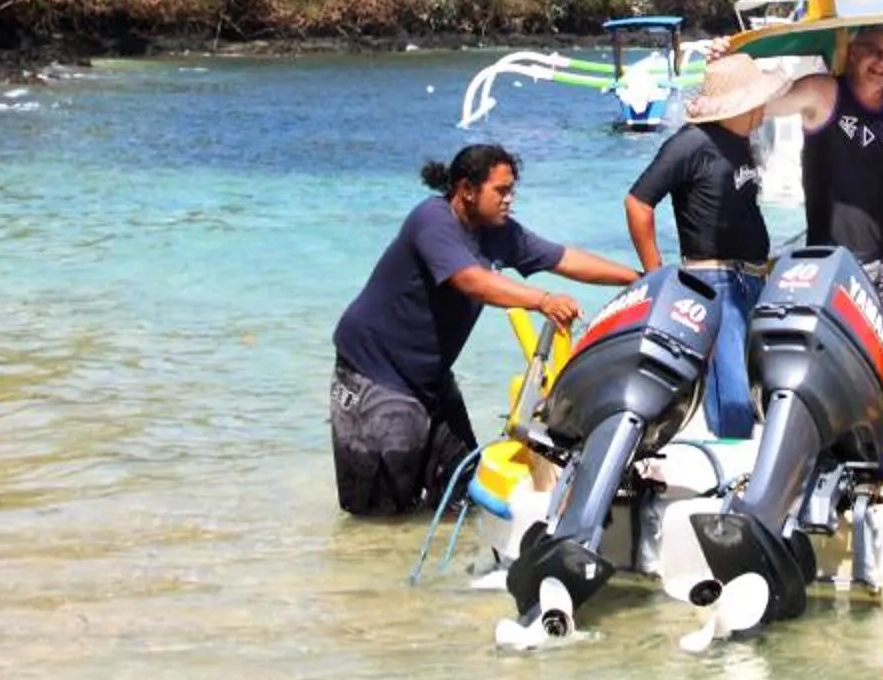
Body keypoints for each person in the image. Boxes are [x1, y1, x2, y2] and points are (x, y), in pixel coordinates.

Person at [329, 145, 639, 516]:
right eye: (501, 191)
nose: (510, 200)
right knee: (381, 510)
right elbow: (471, 281)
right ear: (467, 189)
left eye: (512, 191)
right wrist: (541, 300)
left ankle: (452, 571)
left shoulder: (499, 232)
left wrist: (639, 278)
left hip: (431, 378)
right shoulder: (433, 220)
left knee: (462, 491)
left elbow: (563, 258)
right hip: (375, 372)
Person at [623, 52, 784, 435]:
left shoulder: (741, 139)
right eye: (757, 102)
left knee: (755, 382)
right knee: (732, 390)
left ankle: (743, 461)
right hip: (713, 280)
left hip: (751, 278)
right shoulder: (691, 143)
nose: (762, 110)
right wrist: (656, 275)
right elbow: (638, 202)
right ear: (738, 104)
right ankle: (733, 469)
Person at [775, 25, 883, 368]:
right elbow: (766, 106)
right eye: (875, 50)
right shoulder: (824, 92)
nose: (882, 62)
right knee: (839, 357)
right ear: (854, 51)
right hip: (833, 262)